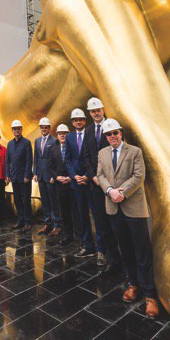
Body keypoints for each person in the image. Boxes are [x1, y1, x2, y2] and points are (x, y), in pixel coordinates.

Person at [97, 118, 159, 318]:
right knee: (126, 249)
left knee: (142, 251)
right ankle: (133, 284)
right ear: (105, 136)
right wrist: (108, 191)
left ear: (121, 133)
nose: (112, 136)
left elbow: (139, 176)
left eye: (115, 133)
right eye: (109, 134)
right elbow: (100, 175)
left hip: (133, 207)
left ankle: (150, 294)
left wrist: (121, 192)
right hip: (114, 209)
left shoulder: (135, 152)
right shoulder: (102, 153)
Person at [84, 97, 122, 269]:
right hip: (95, 184)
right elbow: (85, 156)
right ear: (90, 113)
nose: (96, 113)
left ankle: (120, 255)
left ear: (103, 109)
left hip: (113, 184)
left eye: (98, 110)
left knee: (115, 221)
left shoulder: (112, 127)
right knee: (101, 223)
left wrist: (107, 181)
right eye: (93, 111)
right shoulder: (89, 130)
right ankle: (105, 253)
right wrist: (93, 177)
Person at [64, 108, 98, 258]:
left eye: (81, 119)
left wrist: (87, 176)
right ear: (72, 122)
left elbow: (94, 158)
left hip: (90, 181)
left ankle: (102, 247)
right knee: (82, 214)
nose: (78, 122)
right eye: (75, 120)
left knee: (96, 215)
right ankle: (88, 245)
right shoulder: (69, 137)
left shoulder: (91, 134)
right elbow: (68, 159)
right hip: (77, 183)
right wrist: (74, 176)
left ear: (85, 120)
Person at [33, 116, 61, 236]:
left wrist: (53, 176)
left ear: (49, 128)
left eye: (46, 127)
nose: (44, 129)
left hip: (50, 177)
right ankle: (47, 224)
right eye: (42, 127)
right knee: (44, 201)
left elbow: (55, 160)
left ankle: (57, 225)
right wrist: (35, 172)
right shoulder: (37, 141)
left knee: (53, 200)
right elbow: (36, 158)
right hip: (40, 176)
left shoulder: (54, 141)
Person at [48, 124, 75, 246]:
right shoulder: (53, 149)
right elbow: (51, 167)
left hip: (72, 184)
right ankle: (68, 235)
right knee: (64, 211)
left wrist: (71, 177)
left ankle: (80, 236)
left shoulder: (74, 148)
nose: (62, 135)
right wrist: (56, 177)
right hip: (60, 185)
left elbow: (77, 164)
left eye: (65, 133)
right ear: (57, 135)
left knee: (76, 211)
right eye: (60, 133)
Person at [5, 120, 33, 232]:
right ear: (12, 130)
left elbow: (29, 160)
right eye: (14, 129)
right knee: (17, 200)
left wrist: (27, 175)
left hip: (24, 177)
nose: (16, 130)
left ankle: (27, 222)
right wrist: (7, 174)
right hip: (14, 177)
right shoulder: (10, 144)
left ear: (21, 129)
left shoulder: (26, 142)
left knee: (26, 199)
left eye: (18, 128)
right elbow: (7, 161)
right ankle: (20, 220)